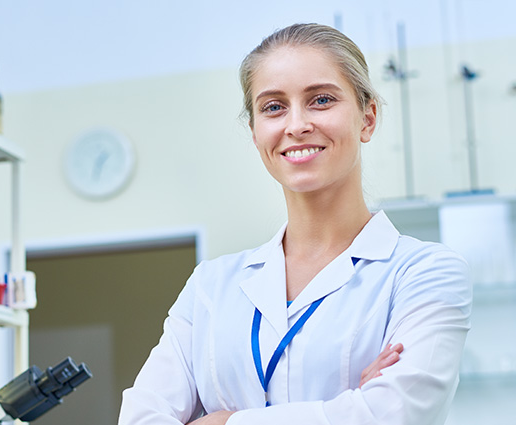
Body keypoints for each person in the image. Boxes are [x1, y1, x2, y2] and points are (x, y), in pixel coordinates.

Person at [118, 23, 472, 425]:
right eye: (273, 107)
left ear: (368, 119)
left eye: (321, 100)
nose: (296, 124)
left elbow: (393, 414)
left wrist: (222, 421)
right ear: (255, 132)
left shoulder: (424, 273)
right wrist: (346, 407)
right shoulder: (210, 288)